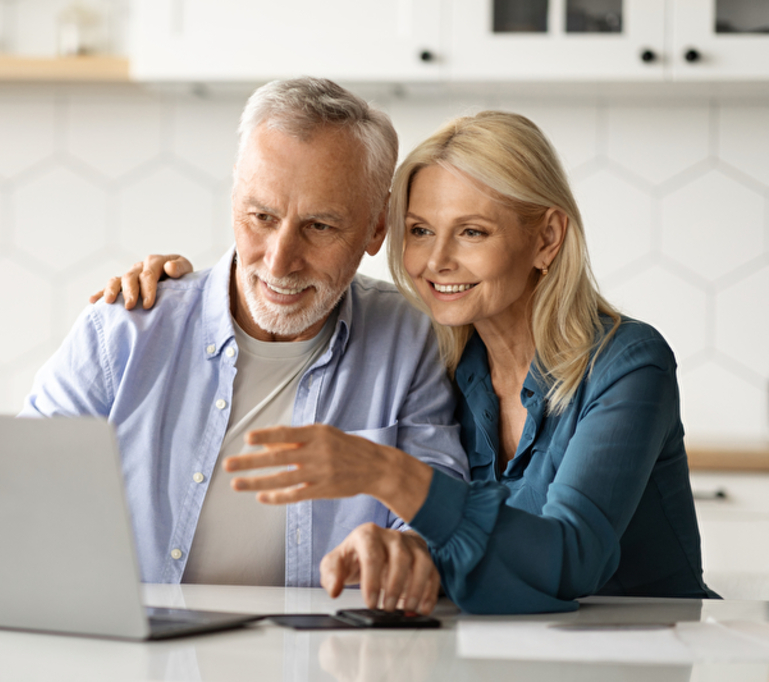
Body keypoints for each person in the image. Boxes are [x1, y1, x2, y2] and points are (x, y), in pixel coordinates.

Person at [112, 111, 716, 614]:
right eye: (420, 230)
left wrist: (388, 475)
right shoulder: (444, 355)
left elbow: (571, 558)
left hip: (643, 649)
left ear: (547, 239)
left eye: (472, 232)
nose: (436, 261)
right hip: (497, 649)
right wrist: (188, 296)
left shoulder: (629, 365)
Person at [20, 77, 466, 601]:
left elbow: (439, 512)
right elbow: (18, 496)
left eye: (320, 226)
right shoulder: (122, 328)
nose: (279, 261)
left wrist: (409, 553)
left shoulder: (411, 341)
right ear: (234, 196)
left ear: (375, 228)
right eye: (261, 217)